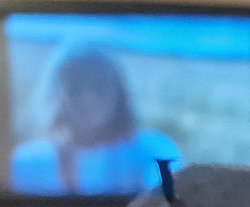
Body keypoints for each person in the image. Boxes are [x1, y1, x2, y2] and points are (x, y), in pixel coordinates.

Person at [10, 46, 181, 196]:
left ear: (119, 94)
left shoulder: (154, 151)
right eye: (75, 88)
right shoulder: (25, 162)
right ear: (56, 94)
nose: (87, 98)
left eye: (100, 86)